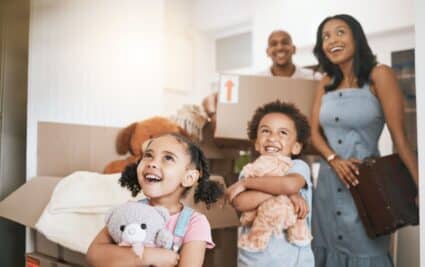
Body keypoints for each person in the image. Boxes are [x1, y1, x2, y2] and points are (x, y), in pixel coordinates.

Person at [310, 14, 419, 267]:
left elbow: (400, 139)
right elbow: (314, 133)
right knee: (325, 251)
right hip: (326, 186)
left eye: (340, 32)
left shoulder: (380, 75)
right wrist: (333, 159)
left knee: (366, 254)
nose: (332, 40)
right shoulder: (325, 82)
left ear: (356, 37)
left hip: (367, 186)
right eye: (325, 36)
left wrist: (420, 187)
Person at [86, 133, 224, 267]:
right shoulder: (128, 211)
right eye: (148, 155)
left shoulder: (194, 223)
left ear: (188, 178)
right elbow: (93, 255)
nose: (152, 163)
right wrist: (147, 256)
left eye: (168, 158)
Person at [226, 100, 315, 267]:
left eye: (283, 133)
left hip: (295, 261)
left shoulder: (298, 167)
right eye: (266, 131)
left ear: (296, 147)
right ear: (257, 143)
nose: (273, 137)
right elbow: (240, 202)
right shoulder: (250, 170)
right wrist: (285, 193)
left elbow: (290, 184)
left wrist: (247, 184)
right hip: (253, 259)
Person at [202, 30, 318, 119]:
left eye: (285, 42)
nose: (279, 47)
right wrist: (213, 107)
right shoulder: (257, 80)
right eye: (274, 44)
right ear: (267, 52)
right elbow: (221, 97)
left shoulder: (313, 78)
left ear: (293, 49)